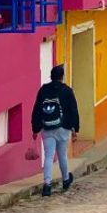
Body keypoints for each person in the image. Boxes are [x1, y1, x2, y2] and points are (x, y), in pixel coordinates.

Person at [31, 64, 80, 197]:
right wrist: (75, 128)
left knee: (48, 156)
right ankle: (65, 179)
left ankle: (47, 185)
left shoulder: (43, 90)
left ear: (51, 76)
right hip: (63, 128)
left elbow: (36, 110)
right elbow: (73, 110)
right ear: (62, 77)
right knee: (62, 155)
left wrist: (35, 128)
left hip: (47, 128)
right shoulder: (67, 90)